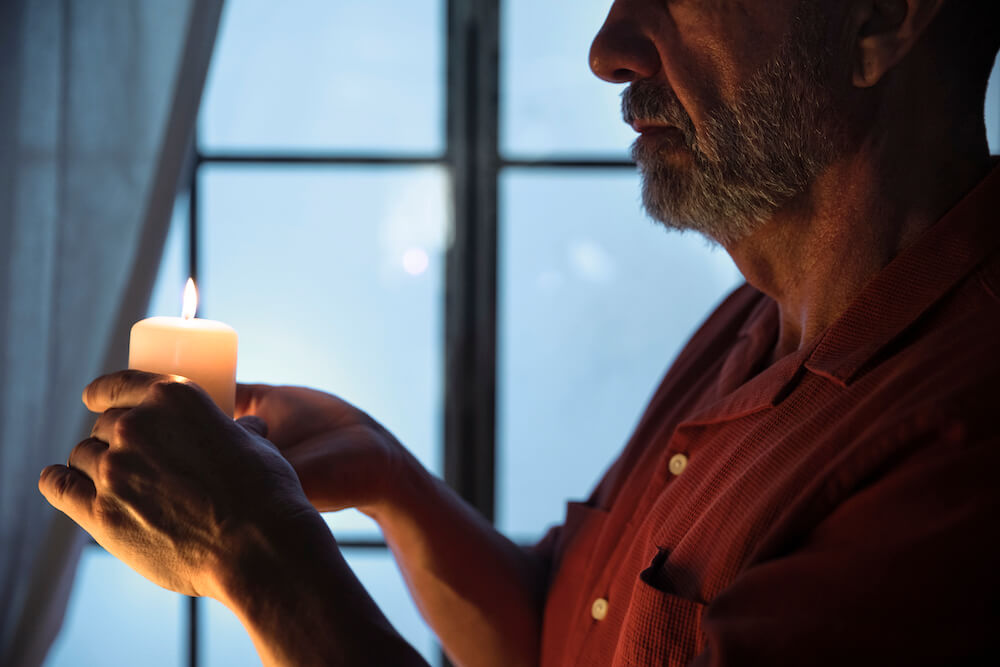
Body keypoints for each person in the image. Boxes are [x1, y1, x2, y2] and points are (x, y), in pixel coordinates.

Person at [39, 0, 1000, 665]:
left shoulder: (958, 442)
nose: (609, 48)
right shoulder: (758, 318)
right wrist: (383, 475)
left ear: (879, 16)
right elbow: (564, 639)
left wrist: (254, 552)